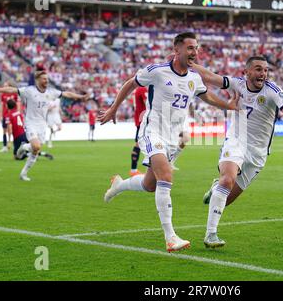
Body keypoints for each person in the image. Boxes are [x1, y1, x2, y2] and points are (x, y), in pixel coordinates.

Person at [98, 32, 239, 253]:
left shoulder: (194, 78)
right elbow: (130, 83)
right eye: (190, 48)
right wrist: (114, 108)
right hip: (152, 130)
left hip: (173, 137)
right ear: (177, 49)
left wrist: (227, 106)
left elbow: (207, 96)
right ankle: (170, 237)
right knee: (166, 176)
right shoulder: (157, 71)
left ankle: (120, 185)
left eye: (197, 48)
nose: (195, 52)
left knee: (149, 184)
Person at [191, 56, 283, 248]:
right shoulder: (237, 84)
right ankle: (211, 235)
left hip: (258, 153)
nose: (263, 74)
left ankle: (216, 188)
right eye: (258, 69)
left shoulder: (272, 90)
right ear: (246, 72)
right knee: (227, 180)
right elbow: (210, 76)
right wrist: (190, 64)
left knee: (227, 198)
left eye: (265, 70)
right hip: (236, 141)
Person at [0, 67, 89, 181]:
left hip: (42, 125)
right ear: (38, 80)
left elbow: (66, 94)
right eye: (44, 79)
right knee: (36, 146)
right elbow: (11, 90)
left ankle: (23, 171)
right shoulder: (29, 91)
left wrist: (81, 97)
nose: (46, 81)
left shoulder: (51, 92)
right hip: (30, 123)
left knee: (35, 151)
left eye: (47, 79)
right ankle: (24, 148)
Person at [130, 85, 148, 176]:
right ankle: (134, 170)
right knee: (142, 144)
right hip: (144, 121)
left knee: (138, 144)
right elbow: (148, 105)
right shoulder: (142, 89)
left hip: (141, 121)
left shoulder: (138, 89)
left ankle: (133, 170)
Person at [0, 86, 20, 153]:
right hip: (5, 115)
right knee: (5, 131)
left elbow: (18, 103)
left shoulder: (14, 94)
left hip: (13, 115)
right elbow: (2, 105)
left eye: (6, 85)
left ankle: (14, 144)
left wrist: (18, 112)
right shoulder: (3, 94)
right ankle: (5, 146)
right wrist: (0, 115)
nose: (4, 87)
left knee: (14, 130)